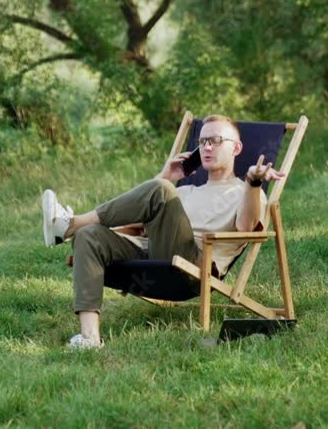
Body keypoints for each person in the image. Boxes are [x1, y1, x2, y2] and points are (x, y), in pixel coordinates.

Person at [41, 115, 285, 349]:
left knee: (161, 190)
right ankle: (90, 338)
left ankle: (71, 225)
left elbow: (247, 228)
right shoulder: (186, 191)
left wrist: (253, 183)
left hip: (194, 269)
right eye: (202, 141)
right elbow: (140, 220)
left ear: (236, 148)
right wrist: (166, 176)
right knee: (89, 235)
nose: (207, 147)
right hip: (156, 254)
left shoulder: (246, 192)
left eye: (216, 140)